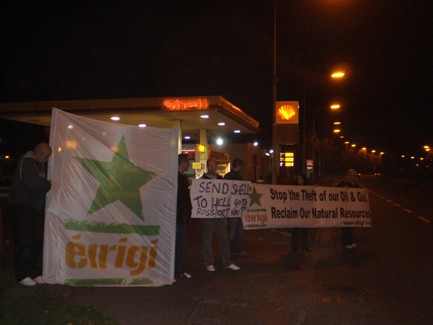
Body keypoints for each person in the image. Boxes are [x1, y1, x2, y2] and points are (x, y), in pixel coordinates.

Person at [7, 142, 52, 286]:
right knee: (24, 241)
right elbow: (34, 184)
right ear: (37, 153)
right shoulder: (26, 163)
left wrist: (44, 184)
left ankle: (35, 272)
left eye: (48, 157)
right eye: (45, 156)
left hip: (35, 208)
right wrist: (48, 184)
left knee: (36, 241)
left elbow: (39, 183)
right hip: (22, 208)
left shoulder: (39, 165)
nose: (46, 160)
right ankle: (22, 274)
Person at [200, 159, 240, 272]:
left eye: (214, 165)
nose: (212, 167)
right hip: (208, 215)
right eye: (210, 165)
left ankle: (227, 262)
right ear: (207, 166)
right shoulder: (202, 180)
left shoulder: (221, 180)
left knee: (224, 238)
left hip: (220, 214)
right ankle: (208, 262)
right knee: (208, 238)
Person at [224, 159, 248, 257]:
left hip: (237, 207)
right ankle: (230, 250)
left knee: (238, 229)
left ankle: (236, 249)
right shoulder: (231, 177)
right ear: (239, 166)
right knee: (233, 230)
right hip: (233, 207)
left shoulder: (234, 176)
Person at [175, 154, 192, 279]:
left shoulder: (183, 178)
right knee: (177, 244)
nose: (189, 165)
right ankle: (176, 271)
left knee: (180, 244)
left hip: (182, 216)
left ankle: (179, 270)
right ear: (183, 163)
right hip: (177, 217)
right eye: (188, 162)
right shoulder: (176, 178)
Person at [338, 169, 360, 249]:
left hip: (353, 209)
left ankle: (350, 241)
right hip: (346, 208)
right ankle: (345, 243)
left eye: (354, 175)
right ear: (347, 176)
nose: (353, 177)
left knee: (352, 226)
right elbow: (334, 192)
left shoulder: (355, 185)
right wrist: (343, 189)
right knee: (346, 226)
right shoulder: (343, 184)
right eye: (351, 175)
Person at [291, 174, 310, 252]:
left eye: (300, 178)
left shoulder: (308, 188)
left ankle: (304, 246)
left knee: (304, 229)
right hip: (296, 211)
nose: (299, 180)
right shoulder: (293, 189)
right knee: (295, 229)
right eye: (298, 179)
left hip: (305, 211)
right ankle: (295, 246)